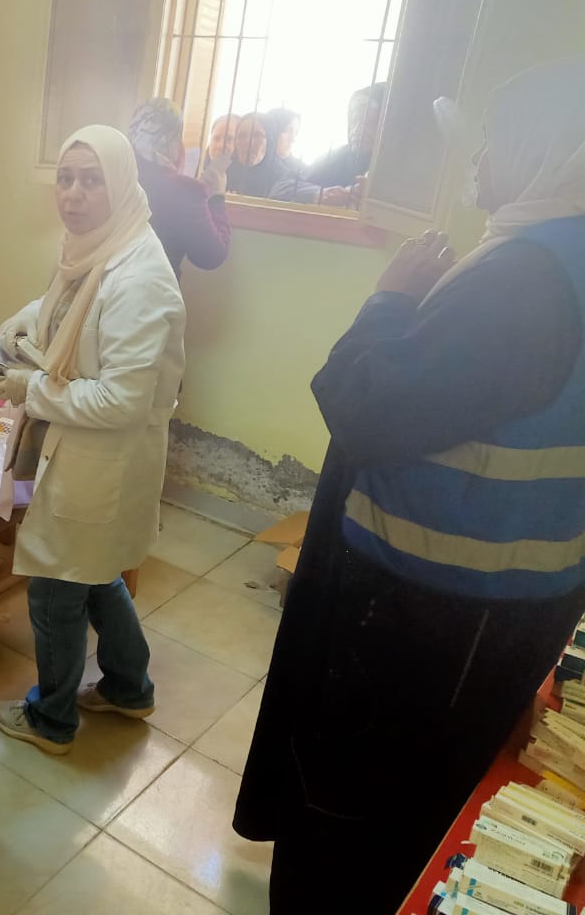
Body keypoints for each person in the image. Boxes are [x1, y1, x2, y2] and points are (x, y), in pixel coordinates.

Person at [234, 57, 585, 914]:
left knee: (350, 819)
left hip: (424, 617)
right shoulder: (557, 262)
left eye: (494, 142)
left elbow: (362, 406)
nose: (476, 160)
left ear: (546, 152)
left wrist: (390, 301)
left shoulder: (522, 283)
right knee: (418, 802)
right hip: (497, 611)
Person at [0, 125, 186, 756]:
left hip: (99, 458)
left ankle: (51, 720)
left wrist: (32, 390)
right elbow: (69, 300)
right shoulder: (98, 244)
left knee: (56, 581)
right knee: (95, 573)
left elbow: (122, 401)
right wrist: (28, 319)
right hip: (74, 448)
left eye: (91, 180)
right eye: (66, 179)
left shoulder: (140, 278)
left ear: (121, 184)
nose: (72, 194)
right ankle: (129, 687)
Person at [127, 97, 230, 275]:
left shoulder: (118, 174)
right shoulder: (184, 190)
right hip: (155, 288)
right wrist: (217, 198)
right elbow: (211, 256)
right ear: (172, 140)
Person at [275, 83, 386, 206]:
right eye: (354, 120)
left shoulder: (394, 172)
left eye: (369, 123)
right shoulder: (337, 157)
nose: (357, 130)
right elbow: (281, 187)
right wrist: (320, 194)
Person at [226, 111, 283, 198]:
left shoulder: (284, 179)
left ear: (270, 141)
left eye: (257, 135)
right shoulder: (221, 171)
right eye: (242, 136)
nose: (248, 142)